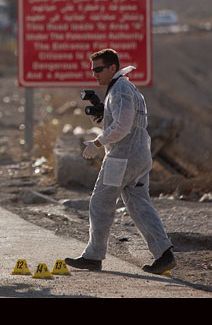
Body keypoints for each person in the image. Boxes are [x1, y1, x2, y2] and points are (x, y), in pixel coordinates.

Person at [65, 49, 176, 275]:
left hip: (122, 157)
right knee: (138, 205)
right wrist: (101, 113)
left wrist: (96, 143)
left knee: (100, 202)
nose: (94, 74)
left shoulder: (121, 89)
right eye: (92, 69)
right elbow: (121, 121)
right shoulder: (121, 89)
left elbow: (122, 127)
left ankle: (94, 255)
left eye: (98, 69)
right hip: (137, 155)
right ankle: (164, 255)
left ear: (112, 68)